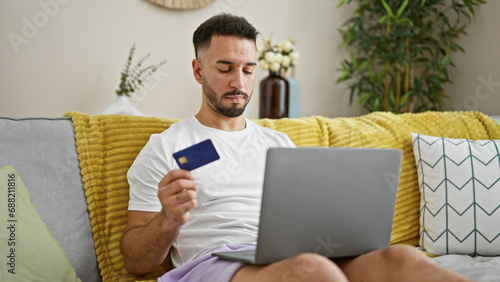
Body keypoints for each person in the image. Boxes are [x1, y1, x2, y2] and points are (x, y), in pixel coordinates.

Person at [120, 13, 472, 282]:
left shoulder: (277, 142)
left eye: (247, 69)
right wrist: (168, 221)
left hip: (293, 253)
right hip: (218, 263)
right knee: (313, 270)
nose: (238, 82)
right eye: (225, 68)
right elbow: (135, 261)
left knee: (405, 261)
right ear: (198, 71)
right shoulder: (166, 147)